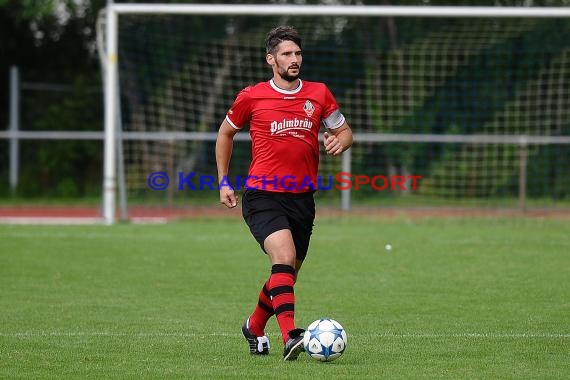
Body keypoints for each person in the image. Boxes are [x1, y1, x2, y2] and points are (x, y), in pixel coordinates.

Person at [215, 26, 353, 361]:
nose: (294, 60)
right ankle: (290, 335)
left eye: (297, 54)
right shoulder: (252, 96)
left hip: (302, 198)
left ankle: (254, 325)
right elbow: (225, 134)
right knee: (284, 258)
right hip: (262, 194)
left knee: (286, 273)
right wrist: (222, 181)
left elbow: (344, 130)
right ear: (271, 59)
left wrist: (341, 140)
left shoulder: (319, 94)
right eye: (287, 54)